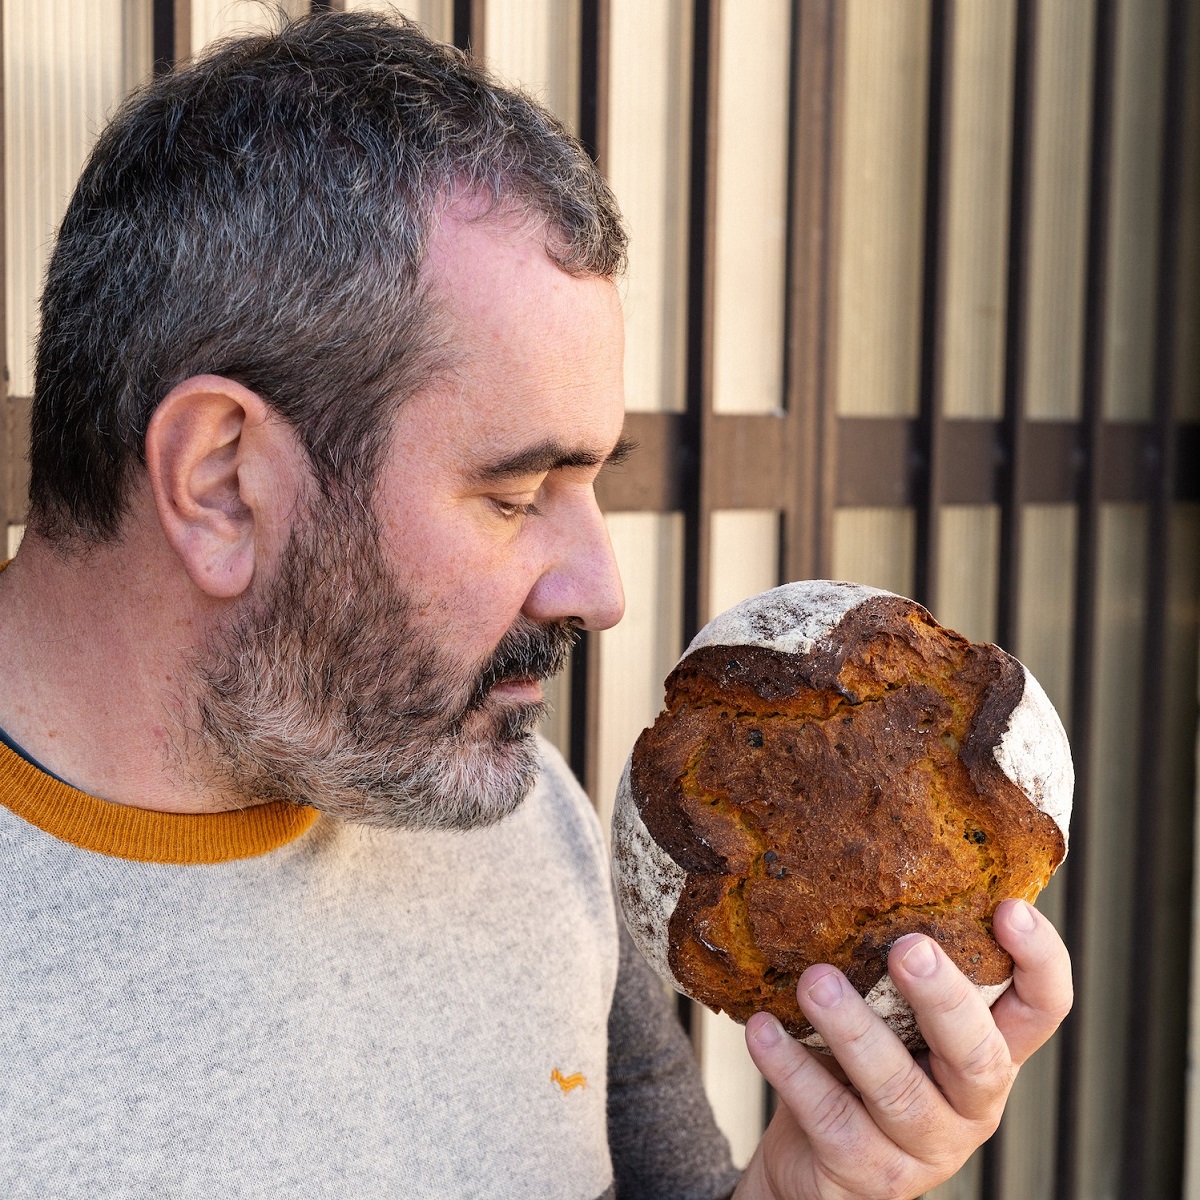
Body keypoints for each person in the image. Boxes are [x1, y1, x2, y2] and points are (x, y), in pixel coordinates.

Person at [0, 12, 1071, 1199]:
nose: (602, 592)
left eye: (593, 480)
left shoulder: (516, 817)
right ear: (222, 481)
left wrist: (807, 1188)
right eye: (515, 493)